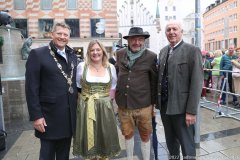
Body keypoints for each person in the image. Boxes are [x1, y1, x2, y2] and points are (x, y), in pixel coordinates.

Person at [25, 22, 78, 160]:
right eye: (59, 33)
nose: (62, 37)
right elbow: (31, 88)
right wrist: (36, 116)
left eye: (65, 34)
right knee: (47, 155)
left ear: (69, 37)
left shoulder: (72, 55)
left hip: (68, 117)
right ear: (52, 34)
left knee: (64, 155)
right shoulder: (37, 54)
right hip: (49, 117)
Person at [157, 21, 203, 160]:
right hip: (165, 107)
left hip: (183, 109)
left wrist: (191, 111)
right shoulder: (163, 51)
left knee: (187, 145)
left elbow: (196, 83)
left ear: (181, 31)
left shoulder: (192, 50)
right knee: (171, 144)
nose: (171, 32)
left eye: (174, 29)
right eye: (168, 30)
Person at [73, 39, 121, 159]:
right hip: (86, 107)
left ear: (103, 51)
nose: (95, 52)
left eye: (98, 49)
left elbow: (113, 87)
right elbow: (78, 86)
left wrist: (106, 101)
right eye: (92, 50)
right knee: (89, 138)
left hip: (105, 108)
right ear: (88, 52)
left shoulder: (110, 67)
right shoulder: (82, 66)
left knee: (104, 137)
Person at [115, 27, 158, 160]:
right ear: (128, 40)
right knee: (127, 134)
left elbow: (154, 82)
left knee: (145, 136)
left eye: (140, 39)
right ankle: (129, 158)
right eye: (133, 39)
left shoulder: (151, 56)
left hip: (144, 105)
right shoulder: (120, 53)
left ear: (144, 41)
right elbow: (117, 74)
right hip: (124, 105)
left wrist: (153, 105)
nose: (137, 42)